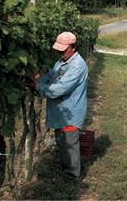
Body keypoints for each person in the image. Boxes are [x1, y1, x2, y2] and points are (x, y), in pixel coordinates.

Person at [32, 31, 88, 182]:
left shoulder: (76, 66)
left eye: (63, 50)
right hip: (60, 112)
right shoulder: (61, 62)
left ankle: (72, 178)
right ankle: (71, 170)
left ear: (73, 47)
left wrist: (39, 88)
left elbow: (60, 88)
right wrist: (38, 81)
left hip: (70, 112)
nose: (60, 52)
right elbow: (51, 76)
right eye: (59, 49)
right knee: (64, 144)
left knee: (69, 145)